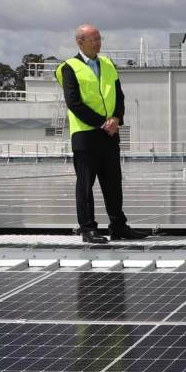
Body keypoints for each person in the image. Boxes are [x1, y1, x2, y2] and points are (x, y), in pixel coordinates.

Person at [56, 24, 148, 244]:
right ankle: (88, 229)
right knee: (85, 184)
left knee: (113, 182)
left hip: (110, 133)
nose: (98, 42)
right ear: (80, 42)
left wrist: (116, 119)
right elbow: (74, 103)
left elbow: (119, 95)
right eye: (93, 39)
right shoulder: (69, 67)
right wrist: (102, 123)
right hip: (86, 135)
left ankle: (118, 226)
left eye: (99, 38)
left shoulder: (107, 63)